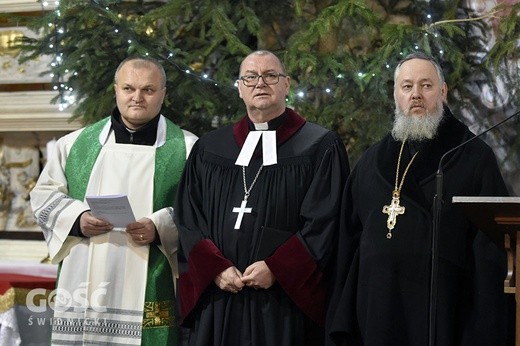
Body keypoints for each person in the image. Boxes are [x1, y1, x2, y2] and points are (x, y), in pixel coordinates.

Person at [327, 51, 513, 345]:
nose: (416, 95)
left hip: (443, 311)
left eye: (426, 86)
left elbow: (490, 251)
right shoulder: (371, 161)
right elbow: (348, 245)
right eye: (407, 86)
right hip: (378, 309)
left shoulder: (471, 156)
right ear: (395, 94)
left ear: (443, 92)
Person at [174, 50, 350, 345]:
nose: (260, 83)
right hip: (220, 297)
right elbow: (189, 217)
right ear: (240, 87)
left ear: (286, 84)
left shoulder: (319, 146)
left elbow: (326, 221)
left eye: (270, 75)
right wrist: (214, 267)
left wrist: (278, 268)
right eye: (251, 77)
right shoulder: (210, 148)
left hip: (283, 303)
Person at [30, 56, 198, 345]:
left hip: (151, 271)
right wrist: (77, 218)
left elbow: (200, 209)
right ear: (116, 90)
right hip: (85, 269)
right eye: (128, 88)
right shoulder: (74, 144)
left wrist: (159, 227)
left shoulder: (187, 148)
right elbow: (44, 196)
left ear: (163, 94)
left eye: (148, 89)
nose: (137, 97)